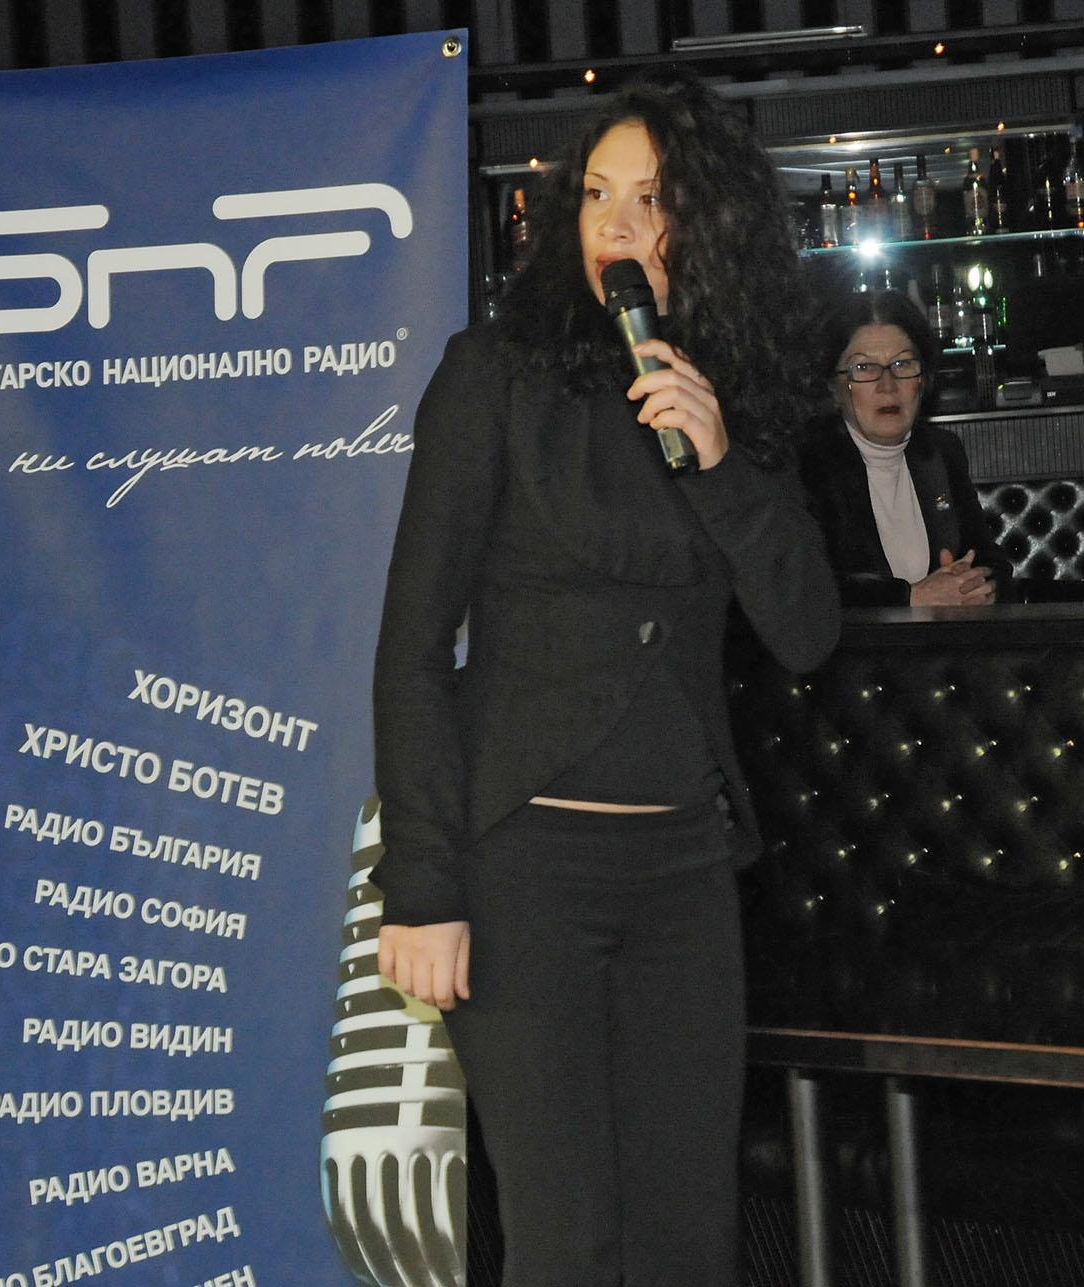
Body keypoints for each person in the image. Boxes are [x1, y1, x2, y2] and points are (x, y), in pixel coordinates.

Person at [370, 73, 840, 1285]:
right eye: (595, 195)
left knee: (688, 1243)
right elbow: (411, 647)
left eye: (650, 199)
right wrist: (421, 887)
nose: (616, 226)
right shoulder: (496, 374)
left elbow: (805, 631)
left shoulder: (739, 396)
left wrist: (721, 461)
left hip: (684, 870)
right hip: (524, 871)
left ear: (710, 223)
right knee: (566, 1244)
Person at [800, 289, 1008, 607]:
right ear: (833, 386)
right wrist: (913, 597)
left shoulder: (941, 452)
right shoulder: (805, 465)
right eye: (864, 368)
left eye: (903, 364)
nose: (888, 385)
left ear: (923, 380)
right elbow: (803, 590)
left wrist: (977, 586)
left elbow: (992, 564)